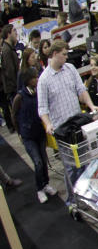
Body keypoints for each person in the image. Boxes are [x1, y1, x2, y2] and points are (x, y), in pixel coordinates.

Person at [37, 39, 98, 206]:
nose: (67, 57)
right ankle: (72, 201)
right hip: (62, 131)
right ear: (55, 54)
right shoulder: (44, 80)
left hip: (79, 124)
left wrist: (91, 105)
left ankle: (87, 195)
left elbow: (81, 90)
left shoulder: (70, 69)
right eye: (64, 54)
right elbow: (42, 108)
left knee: (86, 162)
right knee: (71, 167)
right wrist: (48, 124)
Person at [12, 68, 52, 202]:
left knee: (44, 160)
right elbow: (14, 115)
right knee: (38, 162)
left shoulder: (39, 93)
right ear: (28, 80)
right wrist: (19, 133)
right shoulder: (20, 97)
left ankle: (46, 184)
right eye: (34, 77)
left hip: (39, 132)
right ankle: (39, 189)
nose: (37, 79)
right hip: (27, 135)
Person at [1, 24, 19, 133]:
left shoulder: (8, 48)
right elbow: (10, 72)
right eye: (14, 31)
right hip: (13, 88)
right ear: (8, 34)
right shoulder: (7, 50)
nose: (16, 33)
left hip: (13, 87)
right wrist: (17, 86)